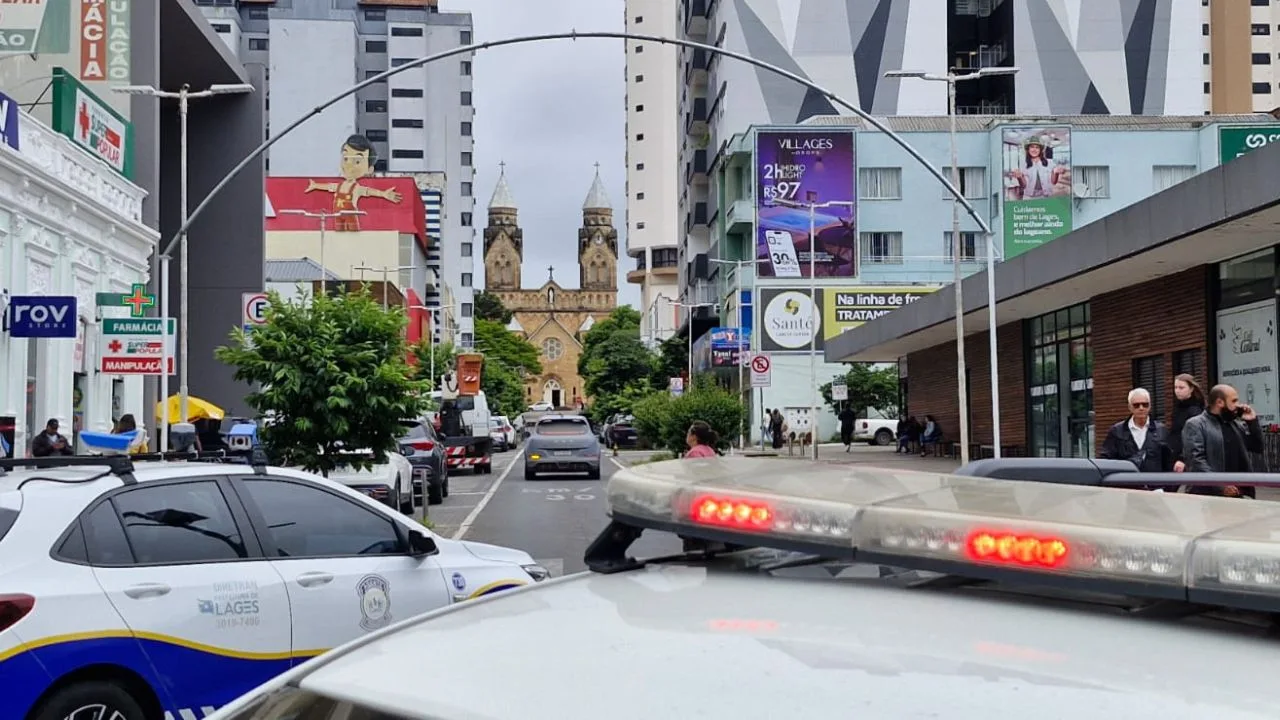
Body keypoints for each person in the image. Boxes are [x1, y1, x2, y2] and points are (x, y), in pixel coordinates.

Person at [1182, 383, 1263, 498]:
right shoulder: (1196, 424)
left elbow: (1257, 447)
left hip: (1238, 493)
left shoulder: (1235, 425)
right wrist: (1220, 486)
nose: (1238, 405)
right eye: (1234, 401)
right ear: (1220, 402)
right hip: (1208, 496)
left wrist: (1252, 422)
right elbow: (1196, 461)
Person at [1098, 388, 1173, 481]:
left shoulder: (1161, 430)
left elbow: (1169, 461)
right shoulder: (1117, 431)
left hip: (1155, 486)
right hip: (1127, 485)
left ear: (1150, 406)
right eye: (1136, 405)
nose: (1141, 408)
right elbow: (1106, 459)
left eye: (1145, 405)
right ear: (1130, 407)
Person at [1168, 373, 1205, 473]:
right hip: (1175, 456)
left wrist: (1182, 459)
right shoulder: (1179, 408)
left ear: (1191, 389)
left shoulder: (1194, 410)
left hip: (1185, 461)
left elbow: (1193, 439)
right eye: (1175, 387)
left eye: (1181, 388)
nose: (1177, 391)